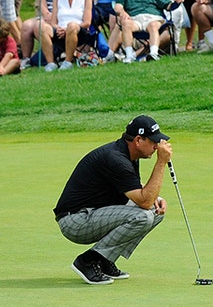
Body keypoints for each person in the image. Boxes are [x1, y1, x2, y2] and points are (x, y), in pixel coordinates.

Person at [53, 114, 171, 285]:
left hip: (93, 213)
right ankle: (88, 261)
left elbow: (135, 188)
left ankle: (105, 260)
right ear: (138, 140)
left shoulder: (128, 154)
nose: (156, 146)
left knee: (155, 211)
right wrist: (161, 163)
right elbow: (144, 201)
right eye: (153, 141)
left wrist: (157, 198)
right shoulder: (116, 159)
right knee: (142, 216)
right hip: (75, 221)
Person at [115, 0, 180, 63]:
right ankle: (129, 56)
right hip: (134, 19)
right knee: (125, 23)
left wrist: (176, 3)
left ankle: (153, 54)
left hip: (153, 17)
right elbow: (118, 6)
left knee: (153, 25)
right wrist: (123, 13)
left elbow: (167, 5)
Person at [40, 0, 94, 71]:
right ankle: (51, 63)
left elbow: (87, 22)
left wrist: (67, 29)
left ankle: (68, 62)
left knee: (72, 26)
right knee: (43, 28)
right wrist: (59, 28)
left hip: (79, 31)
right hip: (60, 30)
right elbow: (53, 22)